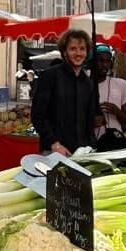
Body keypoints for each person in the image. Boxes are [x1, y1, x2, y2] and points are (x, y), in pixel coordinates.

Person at [29, 28, 98, 156]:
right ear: (64, 52)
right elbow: (38, 115)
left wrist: (91, 147)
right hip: (54, 151)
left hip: (81, 153)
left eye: (82, 49)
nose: (78, 53)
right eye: (73, 49)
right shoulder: (50, 76)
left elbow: (89, 122)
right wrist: (54, 144)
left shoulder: (88, 83)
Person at [93, 47, 126, 146]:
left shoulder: (121, 84)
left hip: (115, 142)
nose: (104, 65)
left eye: (107, 61)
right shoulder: (84, 85)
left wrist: (116, 111)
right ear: (92, 62)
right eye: (100, 61)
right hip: (91, 145)